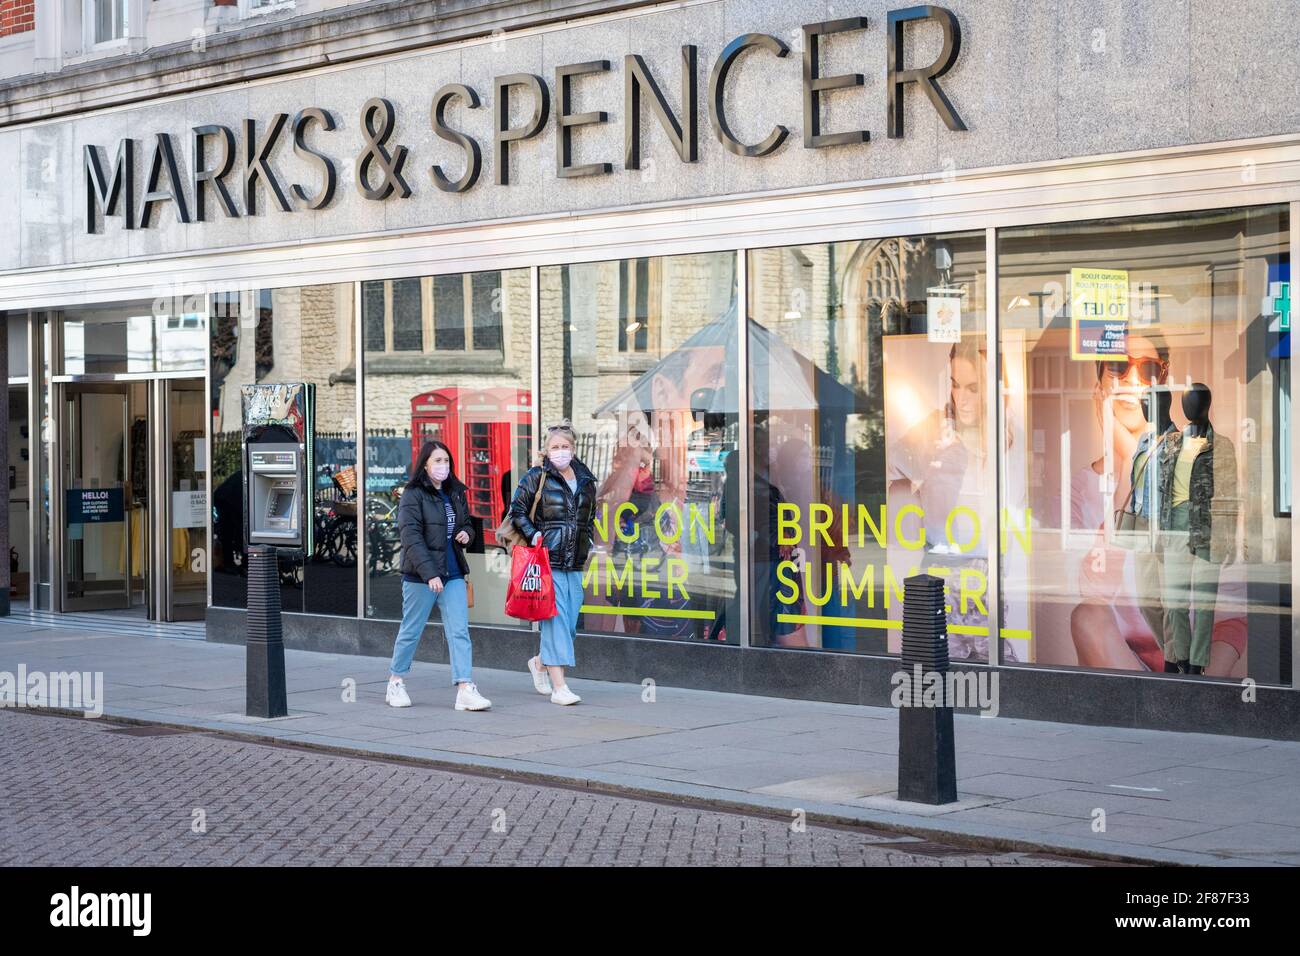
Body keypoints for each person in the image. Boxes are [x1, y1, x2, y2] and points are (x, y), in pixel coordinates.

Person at [386, 440, 489, 711]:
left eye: (446, 461)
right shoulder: (412, 494)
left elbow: (466, 522)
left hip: (453, 571)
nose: (443, 466)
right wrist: (430, 573)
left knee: (459, 631)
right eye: (437, 461)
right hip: (421, 575)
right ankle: (396, 682)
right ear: (425, 465)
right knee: (411, 630)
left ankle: (465, 687)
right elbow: (411, 537)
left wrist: (467, 533)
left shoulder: (455, 491)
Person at [509, 421, 597, 705]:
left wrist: (590, 543)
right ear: (546, 450)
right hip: (548, 559)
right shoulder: (537, 476)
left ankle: (539, 662)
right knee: (556, 622)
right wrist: (534, 534)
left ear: (573, 448)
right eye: (555, 447)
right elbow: (517, 510)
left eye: (565, 446)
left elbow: (589, 517)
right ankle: (560, 688)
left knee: (570, 623)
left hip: (575, 562)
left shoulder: (585, 479)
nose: (560, 451)